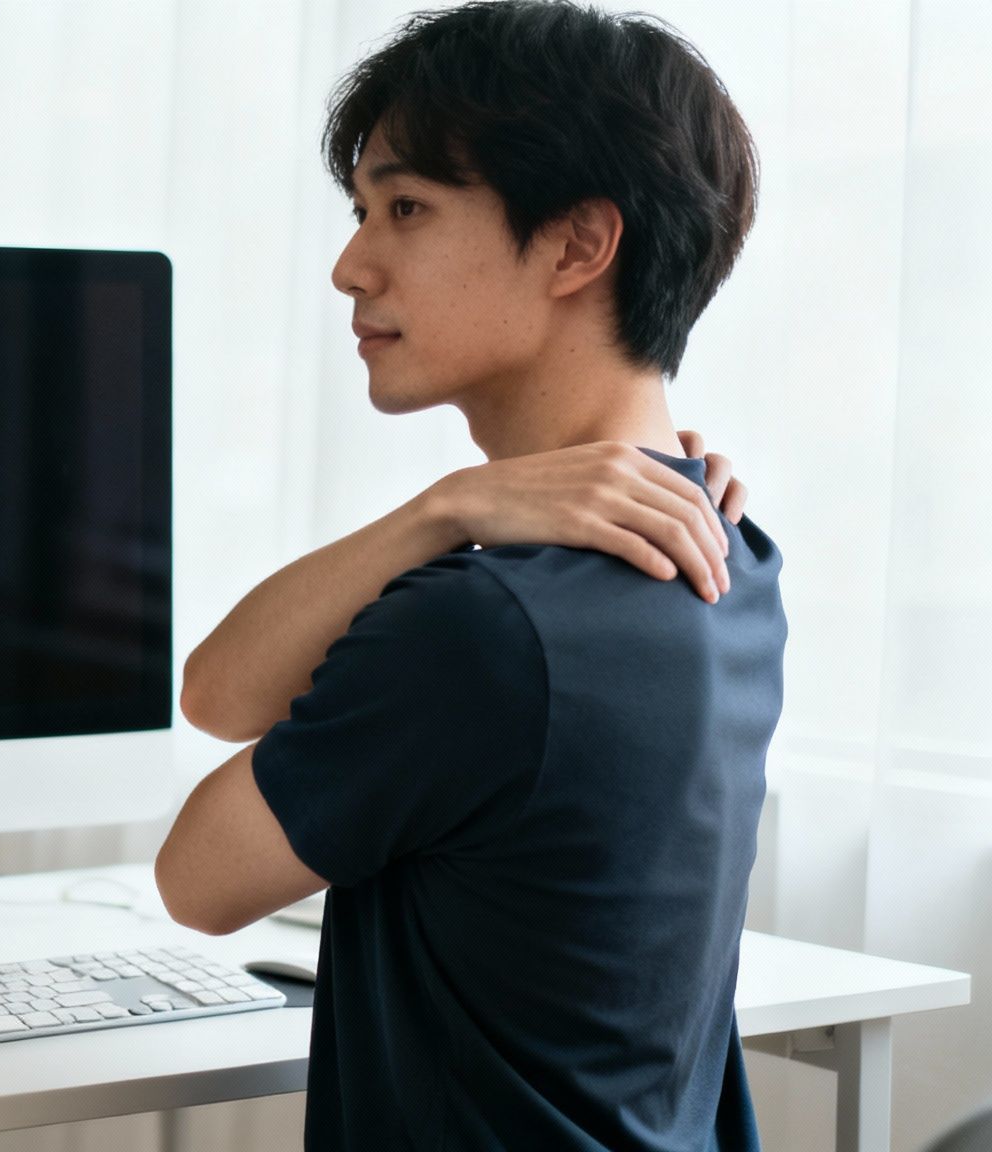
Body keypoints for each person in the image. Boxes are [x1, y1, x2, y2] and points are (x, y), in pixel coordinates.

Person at [153, 3, 786, 1149]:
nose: (351, 265)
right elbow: (216, 696)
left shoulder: (484, 631)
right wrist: (449, 508)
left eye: (404, 208)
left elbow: (194, 884)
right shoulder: (734, 560)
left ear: (576, 245)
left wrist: (449, 522)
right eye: (359, 212)